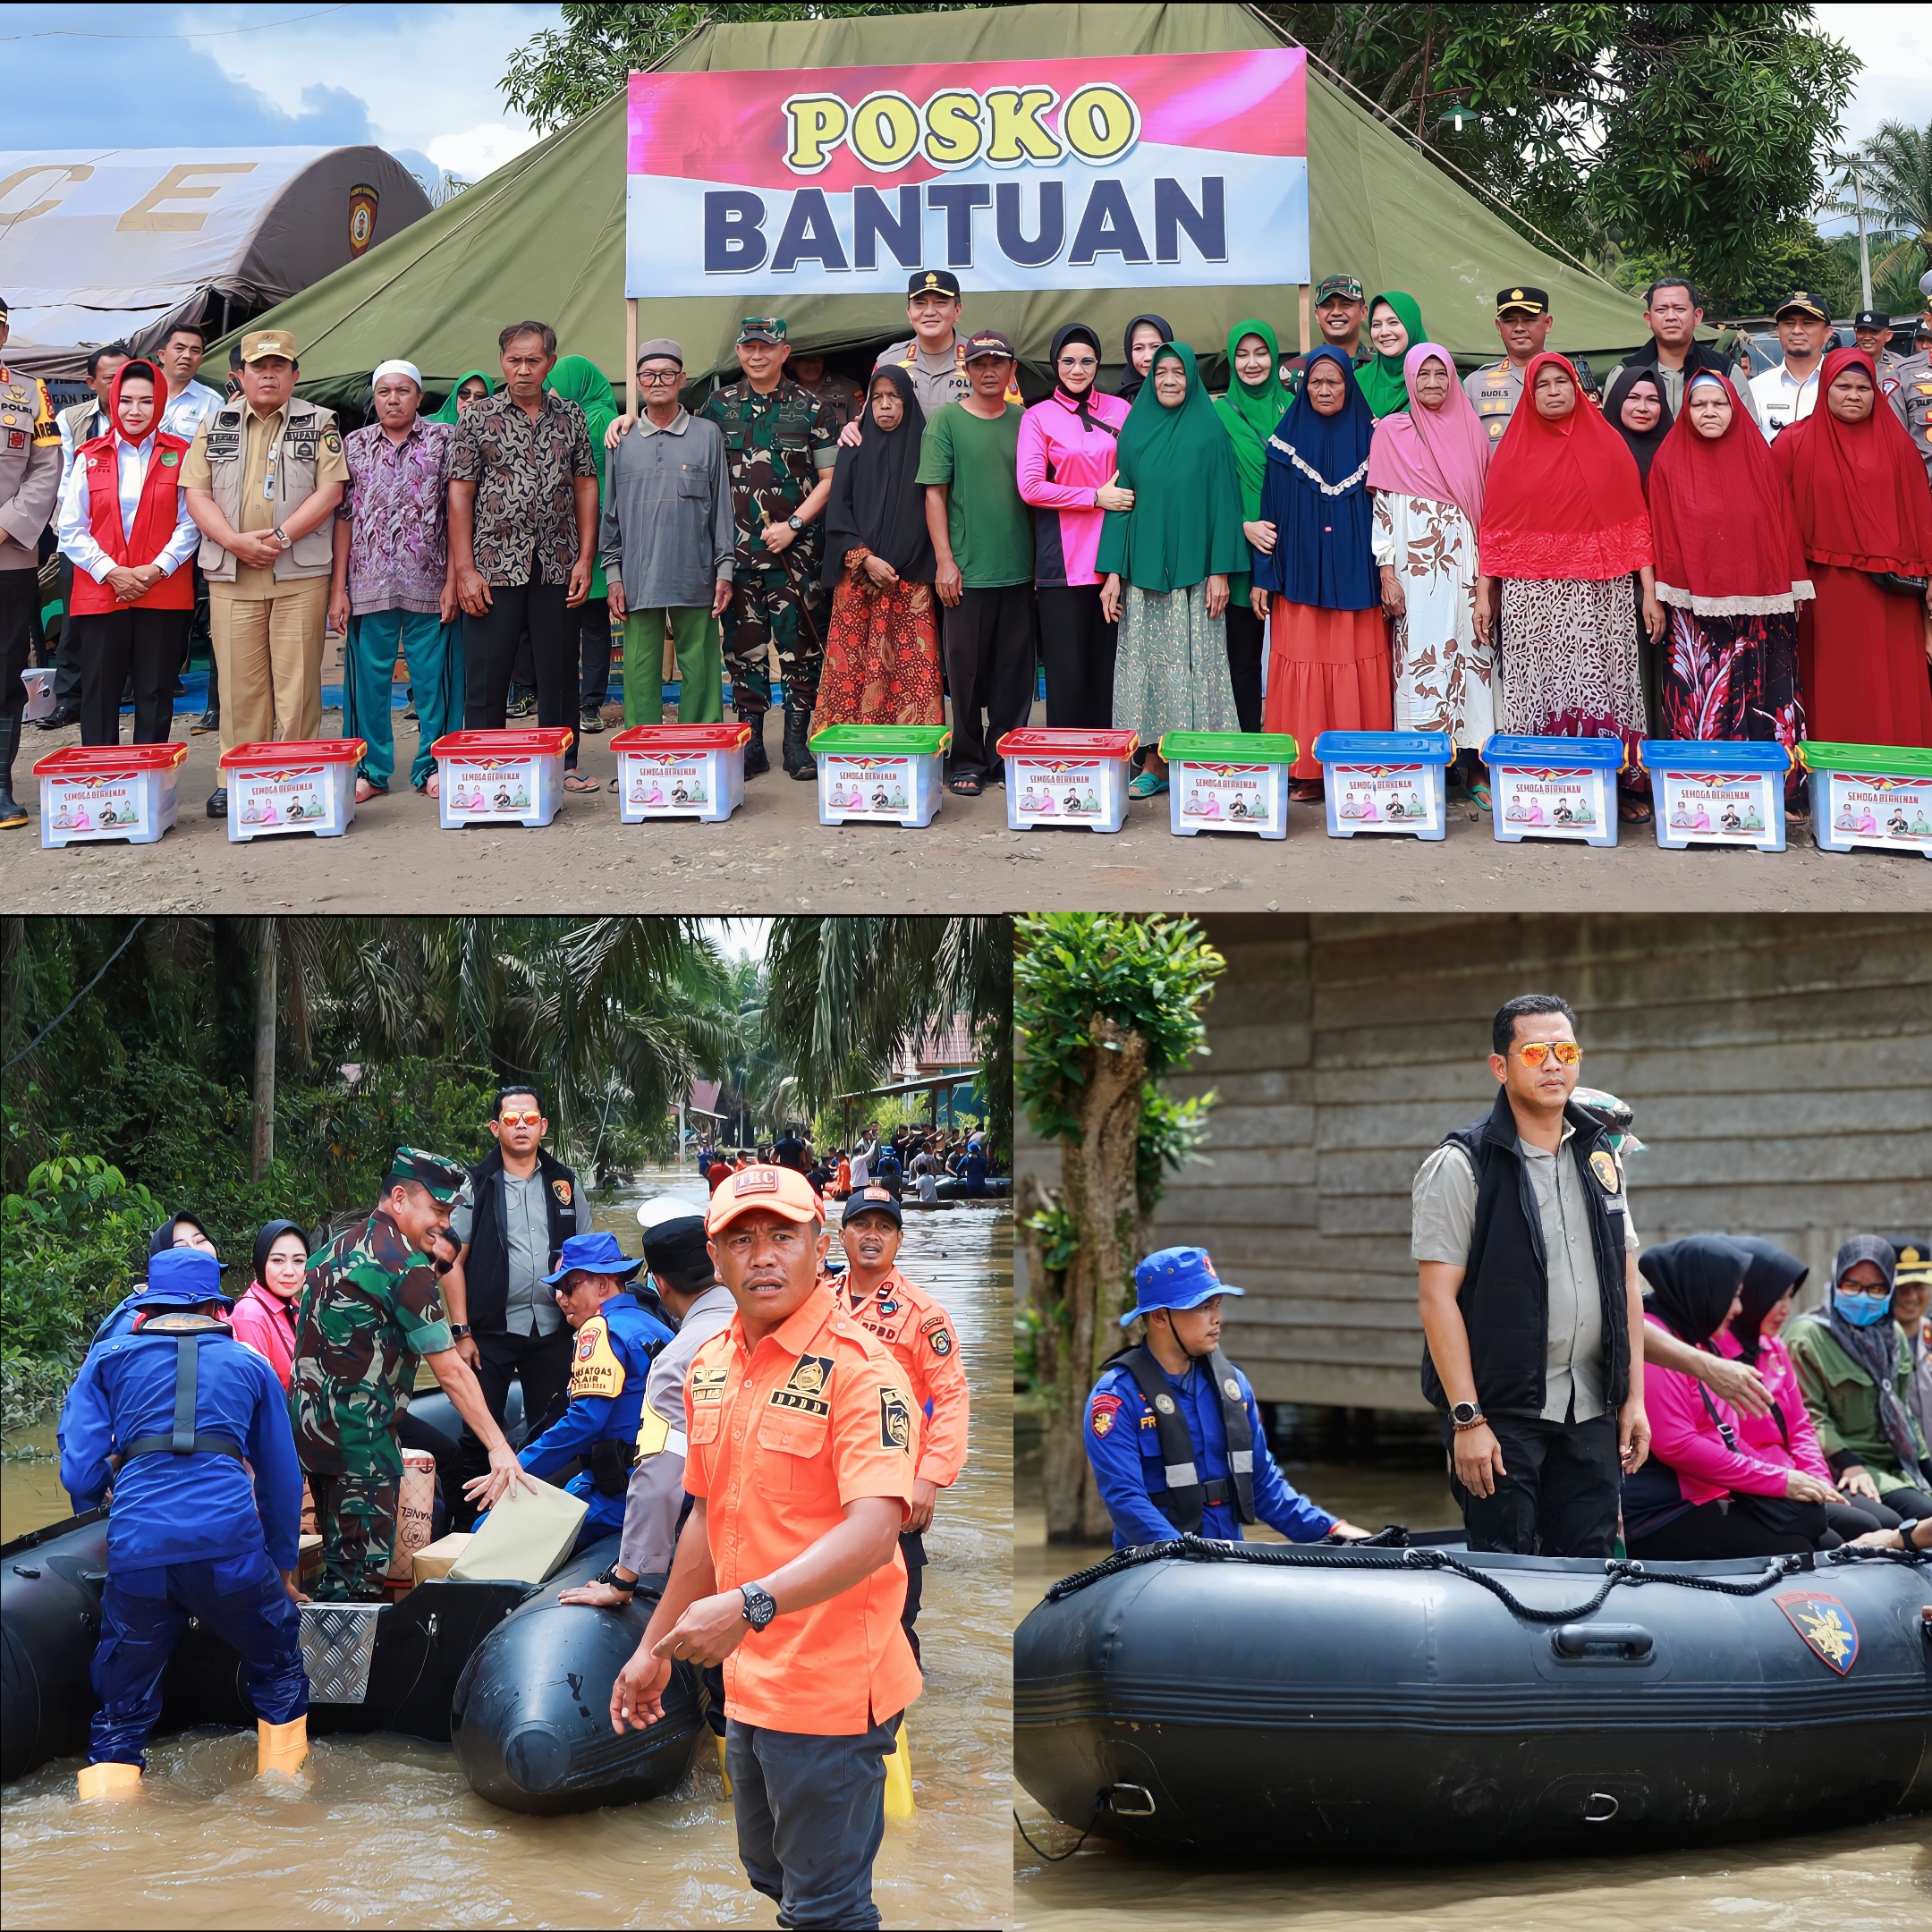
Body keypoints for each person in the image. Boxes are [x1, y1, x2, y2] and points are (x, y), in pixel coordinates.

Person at [608, 1165, 924, 1932]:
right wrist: (654, 1646)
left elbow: (874, 1530)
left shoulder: (864, 1371)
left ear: (821, 1246)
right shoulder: (710, 1366)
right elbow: (706, 1520)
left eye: (783, 1236)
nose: (764, 1257)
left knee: (826, 1909)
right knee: (771, 1876)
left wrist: (747, 1608)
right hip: (748, 1678)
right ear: (715, 1260)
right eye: (741, 1240)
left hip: (832, 1687)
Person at [58, 1246, 310, 1798]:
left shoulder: (107, 1359)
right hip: (231, 1552)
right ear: (215, 1307)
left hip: (139, 1553)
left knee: (121, 1714)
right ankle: (283, 1803)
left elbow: (77, 1475)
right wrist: (283, 1569)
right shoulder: (251, 1364)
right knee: (279, 1664)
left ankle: (108, 1831)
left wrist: (117, 1477)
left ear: (147, 1306)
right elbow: (281, 1480)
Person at [1413, 994, 1650, 1558]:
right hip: (1501, 1415)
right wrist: (1467, 1421)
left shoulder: (1602, 1156)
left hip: (1592, 1409)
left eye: (1564, 1051)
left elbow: (1626, 1285)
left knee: (1590, 1571)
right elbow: (1436, 1300)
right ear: (1501, 1066)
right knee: (1506, 1573)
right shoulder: (1462, 1162)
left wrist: (1634, 1399)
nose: (1552, 1065)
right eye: (1535, 1052)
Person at [292, 1148, 531, 1599]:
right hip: (361, 1450)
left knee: (335, 1563)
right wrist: (500, 1448)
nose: (444, 1222)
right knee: (355, 1586)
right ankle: (321, 1667)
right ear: (399, 1199)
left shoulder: (328, 1252)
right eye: (437, 1210)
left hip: (311, 1441)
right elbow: (452, 1372)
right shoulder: (404, 1267)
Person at [1476, 352, 1662, 821]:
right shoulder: (1512, 453)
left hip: (1600, 594)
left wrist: (1650, 591)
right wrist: (1484, 593)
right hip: (1532, 596)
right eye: (1543, 384)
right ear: (1530, 394)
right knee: (1539, 687)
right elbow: (1494, 529)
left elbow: (1634, 522)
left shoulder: (1608, 445)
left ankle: (1610, 784)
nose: (1554, 390)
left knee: (1600, 683)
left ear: (1576, 388)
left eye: (1562, 381)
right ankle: (1541, 783)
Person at [1085, 1245, 1366, 1548]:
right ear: (1159, 1317)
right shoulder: (1117, 1398)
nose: (1217, 1318)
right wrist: (1188, 1556)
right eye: (1203, 1308)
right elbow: (1126, 1501)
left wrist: (1337, 1531)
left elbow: (1263, 1487)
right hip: (1159, 1570)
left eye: (1217, 1305)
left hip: (1227, 1565)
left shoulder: (1232, 1386)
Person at [181, 329, 347, 819]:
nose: (268, 374)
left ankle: (294, 775)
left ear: (295, 375)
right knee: (239, 685)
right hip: (232, 574)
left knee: (297, 685)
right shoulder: (216, 424)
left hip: (298, 571)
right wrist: (234, 542)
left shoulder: (320, 423)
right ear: (240, 374)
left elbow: (330, 491)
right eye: (259, 366)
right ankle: (238, 777)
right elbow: (196, 495)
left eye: (279, 366)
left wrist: (279, 539)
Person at [558, 1208, 735, 1650]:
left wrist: (626, 1576)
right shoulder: (776, 1323)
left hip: (725, 1546)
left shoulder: (677, 1357)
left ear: (659, 1283)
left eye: (568, 1285)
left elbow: (658, 1477)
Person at [448, 319, 599, 791]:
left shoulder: (570, 415)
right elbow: (459, 494)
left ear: (550, 363)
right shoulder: (477, 418)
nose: (523, 370)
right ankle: (485, 769)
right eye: (514, 360)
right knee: (488, 669)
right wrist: (465, 570)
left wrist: (584, 558)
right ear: (502, 363)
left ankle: (562, 765)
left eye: (534, 360)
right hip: (494, 564)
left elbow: (586, 484)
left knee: (558, 669)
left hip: (556, 560)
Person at [1621, 1235, 1839, 1558]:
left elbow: (1735, 1436)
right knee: (1797, 1548)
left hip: (1706, 1492)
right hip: (1662, 1508)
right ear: (1706, 1292)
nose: (1738, 1309)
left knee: (1817, 1527)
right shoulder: (1660, 1342)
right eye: (1734, 1296)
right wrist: (1778, 1480)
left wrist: (1800, 1479)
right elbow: (1677, 1446)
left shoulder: (1695, 1340)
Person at [1097, 339, 1246, 798]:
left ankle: (1203, 762)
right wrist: (1112, 574)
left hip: (1197, 575)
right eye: (1160, 373)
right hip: (1142, 573)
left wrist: (1221, 571)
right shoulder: (1135, 432)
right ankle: (1153, 763)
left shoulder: (1209, 431)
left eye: (1177, 372)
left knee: (1198, 666)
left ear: (1191, 378)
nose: (1168, 380)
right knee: (1148, 666)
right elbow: (1121, 504)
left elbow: (1226, 504)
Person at [1648, 369, 1811, 779]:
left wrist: (1792, 584)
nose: (1709, 412)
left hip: (1763, 605)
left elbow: (1783, 524)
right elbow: (1662, 534)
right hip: (1695, 610)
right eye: (1699, 404)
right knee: (1704, 695)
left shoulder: (1761, 458)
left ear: (1735, 408)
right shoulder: (1669, 461)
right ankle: (1704, 784)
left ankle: (1776, 786)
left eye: (1719, 404)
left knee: (1763, 691)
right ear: (1685, 411)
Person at [1771, 346, 1932, 748]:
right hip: (1822, 591)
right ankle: (1836, 784)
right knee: (1835, 681)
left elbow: (1921, 517)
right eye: (1843, 385)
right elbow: (1776, 518)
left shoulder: (1899, 447)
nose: (1854, 395)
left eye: (1864, 387)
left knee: (1890, 682)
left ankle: (1899, 784)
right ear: (1825, 387)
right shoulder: (1794, 443)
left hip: (1891, 592)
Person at [833, 1185, 967, 1662]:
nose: (872, 1236)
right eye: (862, 1225)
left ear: (900, 1240)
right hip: (823, 1479)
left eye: (884, 1227)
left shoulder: (924, 1315)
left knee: (893, 1614)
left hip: (892, 1483)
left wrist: (929, 1479)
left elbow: (951, 1399)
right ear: (842, 1235)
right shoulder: (817, 1301)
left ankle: (898, 1727)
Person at [699, 318, 838, 780]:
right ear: (739, 353)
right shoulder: (717, 407)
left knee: (801, 648)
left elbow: (830, 480)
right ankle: (752, 741)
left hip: (795, 555)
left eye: (766, 347)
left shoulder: (813, 408)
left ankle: (797, 743)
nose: (756, 356)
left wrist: (795, 524)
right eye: (748, 348)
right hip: (736, 554)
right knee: (744, 650)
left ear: (785, 352)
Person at [446, 1085, 589, 1523]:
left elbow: (587, 1258)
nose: (521, 1126)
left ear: (544, 1126)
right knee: (476, 1433)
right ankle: (469, 1529)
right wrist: (461, 1331)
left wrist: (588, 1323)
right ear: (496, 1128)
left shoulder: (565, 1184)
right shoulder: (475, 1185)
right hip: (489, 1333)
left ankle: (545, 1527)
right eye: (511, 1120)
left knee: (558, 1427)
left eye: (530, 1118)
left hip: (553, 1329)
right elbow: (451, 1261)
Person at [1254, 346, 1387, 801]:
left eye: (1334, 381)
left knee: (1354, 659)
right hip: (1300, 574)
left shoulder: (1377, 442)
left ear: (1349, 384)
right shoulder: (1283, 443)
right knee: (1304, 660)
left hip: (1359, 575)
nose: (1325, 390)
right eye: (1316, 382)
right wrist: (1264, 577)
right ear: (1303, 386)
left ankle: (1355, 763)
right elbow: (1267, 515)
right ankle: (1307, 769)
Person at [485, 1232, 673, 1552]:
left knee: (486, 1531)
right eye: (557, 1289)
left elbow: (584, 1421)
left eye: (569, 1286)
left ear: (603, 1284)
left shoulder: (599, 1330)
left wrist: (515, 1469)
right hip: (661, 1484)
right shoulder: (655, 1324)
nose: (560, 1297)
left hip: (621, 1494)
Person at [328, 359, 461, 801]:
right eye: (384, 391)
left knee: (432, 680)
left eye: (403, 391)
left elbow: (458, 512)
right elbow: (344, 517)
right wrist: (338, 589)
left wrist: (454, 580)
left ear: (419, 397)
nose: (393, 399)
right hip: (368, 583)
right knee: (368, 683)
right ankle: (371, 770)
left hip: (431, 579)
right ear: (374, 397)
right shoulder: (355, 444)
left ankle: (433, 765)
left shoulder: (444, 439)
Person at [1368, 342, 1495, 801]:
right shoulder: (1392, 433)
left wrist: (1486, 585)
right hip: (1415, 575)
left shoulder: (1472, 432)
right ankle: (1427, 768)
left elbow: (1486, 513)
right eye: (1423, 375)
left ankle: (1477, 768)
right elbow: (1383, 509)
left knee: (1474, 659)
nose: (1434, 383)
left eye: (1442, 374)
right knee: (1421, 663)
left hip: (1465, 571)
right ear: (1409, 379)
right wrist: (1387, 573)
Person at [917, 328, 1036, 797]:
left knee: (1015, 671)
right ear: (967, 371)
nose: (989, 372)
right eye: (980, 364)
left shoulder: (1027, 420)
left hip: (1020, 568)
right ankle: (965, 758)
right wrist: (945, 561)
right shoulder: (946, 421)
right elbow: (934, 494)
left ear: (1012, 372)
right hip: (966, 570)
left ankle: (1003, 752)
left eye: (998, 364)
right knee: (963, 671)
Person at [1717, 1235, 1899, 1541]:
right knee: (1855, 1531)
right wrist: (1789, 1480)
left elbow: (1801, 1427)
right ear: (1750, 1296)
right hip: (1753, 1483)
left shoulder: (1773, 1348)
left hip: (1795, 1474)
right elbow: (1729, 1440)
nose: (1787, 1309)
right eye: (1777, 1298)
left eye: (1790, 1297)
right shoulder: (1715, 1356)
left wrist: (1818, 1481)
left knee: (1884, 1522)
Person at [55, 359, 198, 748]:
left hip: (163, 587)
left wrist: (156, 569)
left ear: (161, 404)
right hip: (102, 589)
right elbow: (70, 526)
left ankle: (150, 789)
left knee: (155, 691)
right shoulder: (90, 454)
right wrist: (110, 570)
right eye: (127, 401)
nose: (135, 411)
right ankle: (104, 786)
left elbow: (192, 522)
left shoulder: (183, 453)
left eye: (147, 402)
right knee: (100, 692)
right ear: (113, 401)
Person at [600, 339, 734, 729]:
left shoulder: (707, 434)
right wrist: (614, 576)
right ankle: (642, 757)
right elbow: (611, 513)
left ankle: (701, 753)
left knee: (702, 668)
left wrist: (724, 570)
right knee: (640, 672)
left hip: (697, 571)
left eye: (667, 374)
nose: (658, 381)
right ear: (639, 382)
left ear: (682, 379)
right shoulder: (620, 440)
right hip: (639, 574)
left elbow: (721, 508)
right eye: (648, 374)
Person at [1018, 324, 1133, 729]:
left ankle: (1109, 772)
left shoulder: (1121, 410)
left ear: (1098, 364)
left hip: (1115, 563)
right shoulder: (1037, 416)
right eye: (1068, 360)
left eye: (1086, 360)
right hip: (1061, 567)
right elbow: (1031, 487)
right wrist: (1093, 497)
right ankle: (1070, 774)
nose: (1077, 368)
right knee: (1067, 679)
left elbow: (1136, 479)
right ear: (1055, 364)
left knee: (1109, 677)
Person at [815, 367, 943, 728]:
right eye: (878, 398)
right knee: (852, 666)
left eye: (894, 397)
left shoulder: (926, 449)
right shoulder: (854, 450)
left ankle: (914, 757)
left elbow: (930, 516)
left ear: (907, 401)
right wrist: (866, 560)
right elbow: (838, 515)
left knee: (909, 671)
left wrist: (892, 568)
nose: (885, 406)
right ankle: (848, 756)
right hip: (858, 582)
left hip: (909, 582)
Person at [1787, 1235, 1932, 1523]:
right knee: (1915, 1519)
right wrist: (1848, 1464)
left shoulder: (1893, 1335)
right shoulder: (1807, 1336)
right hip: (1842, 1465)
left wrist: (1926, 1467)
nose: (1863, 1296)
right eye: (1852, 1286)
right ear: (1835, 1280)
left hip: (1896, 1463)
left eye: (1876, 1288)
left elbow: (1902, 1410)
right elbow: (1809, 1415)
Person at [0, 294, 65, 830]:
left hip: (8, 557)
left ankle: (1, 786)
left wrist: (6, 527)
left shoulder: (30, 394)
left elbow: (46, 470)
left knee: (4, 670)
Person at [1212, 319, 1295, 732]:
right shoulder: (1217, 413)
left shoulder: (1298, 406)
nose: (1251, 363)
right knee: (1242, 656)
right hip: (1240, 549)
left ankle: (1293, 742)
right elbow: (1207, 485)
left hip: (1292, 546)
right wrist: (1242, 526)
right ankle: (1248, 742)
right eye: (1241, 354)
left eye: (1260, 353)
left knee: (1293, 654)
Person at [538, 354, 620, 738]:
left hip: (594, 526)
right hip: (569, 529)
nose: (550, 387)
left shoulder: (599, 418)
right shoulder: (564, 413)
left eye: (557, 380)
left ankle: (587, 702)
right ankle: (577, 702)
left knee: (590, 620)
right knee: (581, 620)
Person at [1616, 278, 1761, 424]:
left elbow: (1748, 434)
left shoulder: (1725, 371)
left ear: (1697, 316)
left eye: (1680, 309)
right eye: (1661, 310)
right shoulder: (1625, 373)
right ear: (1648, 319)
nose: (1670, 317)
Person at [1464, 287, 1555, 447]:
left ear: (1547, 324)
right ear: (1499, 327)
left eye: (1529, 319)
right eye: (1510, 321)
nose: (1519, 328)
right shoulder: (1475, 384)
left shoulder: (1568, 379)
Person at [229, 1219, 309, 1390]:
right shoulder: (250, 1315)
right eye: (278, 1260)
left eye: (299, 1261)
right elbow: (257, 1390)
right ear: (261, 1261)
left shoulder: (296, 1308)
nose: (289, 1271)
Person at [1748, 292, 1834, 442]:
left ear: (1827, 334)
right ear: (1778, 332)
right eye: (1789, 323)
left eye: (1807, 323)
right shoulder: (1755, 387)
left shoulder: (1841, 384)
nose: (1797, 330)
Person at [1278, 275, 1372, 401]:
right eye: (1327, 305)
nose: (1336, 312)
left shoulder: (1380, 368)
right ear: (1317, 315)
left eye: (1345, 304)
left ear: (1363, 312)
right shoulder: (1294, 371)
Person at [1890, 1238, 1932, 1453]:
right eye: (1902, 1288)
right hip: (1898, 1474)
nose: (1911, 1296)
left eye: (1918, 1286)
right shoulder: (1871, 1346)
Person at [1359, 292, 1428, 419]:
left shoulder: (1440, 378)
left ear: (1411, 325)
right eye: (1377, 325)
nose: (1384, 332)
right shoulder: (1359, 380)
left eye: (1393, 322)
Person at [789, 352, 865, 430]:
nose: (812, 364)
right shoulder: (781, 393)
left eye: (817, 357)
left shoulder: (849, 389)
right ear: (790, 362)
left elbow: (862, 429)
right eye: (802, 358)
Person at [1115, 310, 1174, 404]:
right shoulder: (1119, 401)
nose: (1148, 357)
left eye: (1156, 347)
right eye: (1138, 348)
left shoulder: (1187, 392)